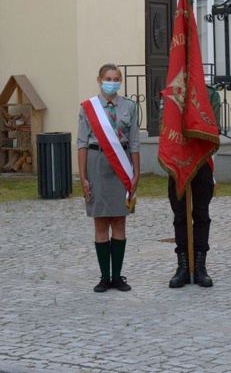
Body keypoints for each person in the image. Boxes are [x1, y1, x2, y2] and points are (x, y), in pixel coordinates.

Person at [77, 64, 140, 293]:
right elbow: (82, 143)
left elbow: (134, 142)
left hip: (121, 165)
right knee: (101, 220)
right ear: (99, 80)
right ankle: (104, 276)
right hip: (97, 163)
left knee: (120, 221)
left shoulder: (129, 106)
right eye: (107, 78)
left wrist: (136, 172)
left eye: (115, 78)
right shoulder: (88, 108)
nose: (111, 82)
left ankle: (117, 276)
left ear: (120, 80)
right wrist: (82, 176)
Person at [167, 85, 220, 289]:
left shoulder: (211, 94)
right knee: (180, 216)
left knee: (201, 214)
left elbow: (214, 126)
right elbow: (166, 127)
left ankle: (199, 267)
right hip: (177, 162)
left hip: (201, 160)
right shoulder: (171, 92)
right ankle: (182, 267)